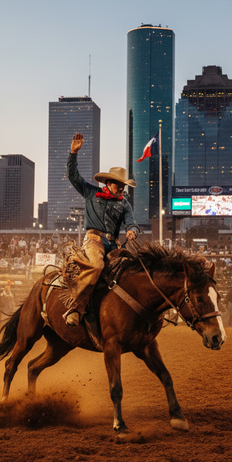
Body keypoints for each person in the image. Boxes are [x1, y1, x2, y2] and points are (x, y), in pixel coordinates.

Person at [65, 133, 140, 326]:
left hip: (113, 245)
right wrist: (73, 153)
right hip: (94, 242)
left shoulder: (124, 204)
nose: (122, 188)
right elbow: (73, 176)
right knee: (97, 266)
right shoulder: (91, 193)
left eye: (123, 186)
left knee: (131, 271)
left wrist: (132, 231)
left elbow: (131, 222)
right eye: (119, 185)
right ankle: (76, 307)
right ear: (108, 183)